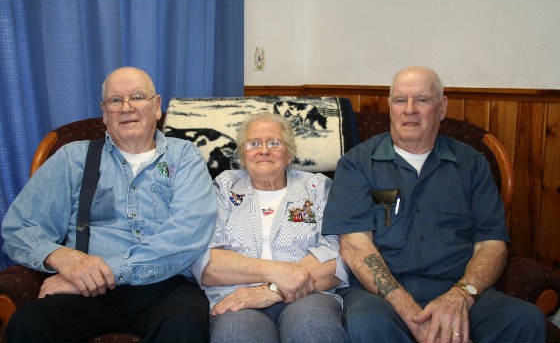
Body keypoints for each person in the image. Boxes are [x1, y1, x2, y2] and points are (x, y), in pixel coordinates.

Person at [322, 66, 546, 343]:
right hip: (380, 296)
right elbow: (355, 246)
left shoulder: (472, 163)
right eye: (400, 100)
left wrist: (461, 296)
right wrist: (409, 310)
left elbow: (492, 243)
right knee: (367, 325)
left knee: (525, 320)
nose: (410, 109)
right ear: (390, 107)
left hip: (458, 287)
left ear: (442, 108)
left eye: (422, 100)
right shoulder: (357, 164)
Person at [2, 67, 217, 342]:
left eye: (138, 97)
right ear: (105, 112)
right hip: (89, 293)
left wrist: (107, 271)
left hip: (167, 287)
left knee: (186, 324)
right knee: (29, 324)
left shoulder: (184, 156)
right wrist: (63, 257)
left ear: (157, 107)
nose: (127, 107)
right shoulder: (73, 159)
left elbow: (189, 234)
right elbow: (19, 228)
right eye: (116, 100)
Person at [191, 112, 347, 343]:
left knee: (313, 329)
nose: (264, 150)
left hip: (308, 296)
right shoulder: (223, 188)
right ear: (242, 155)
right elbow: (207, 263)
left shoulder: (316, 187)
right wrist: (277, 273)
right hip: (236, 297)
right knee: (235, 335)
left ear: (289, 153)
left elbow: (337, 258)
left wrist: (271, 290)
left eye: (274, 143)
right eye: (254, 143)